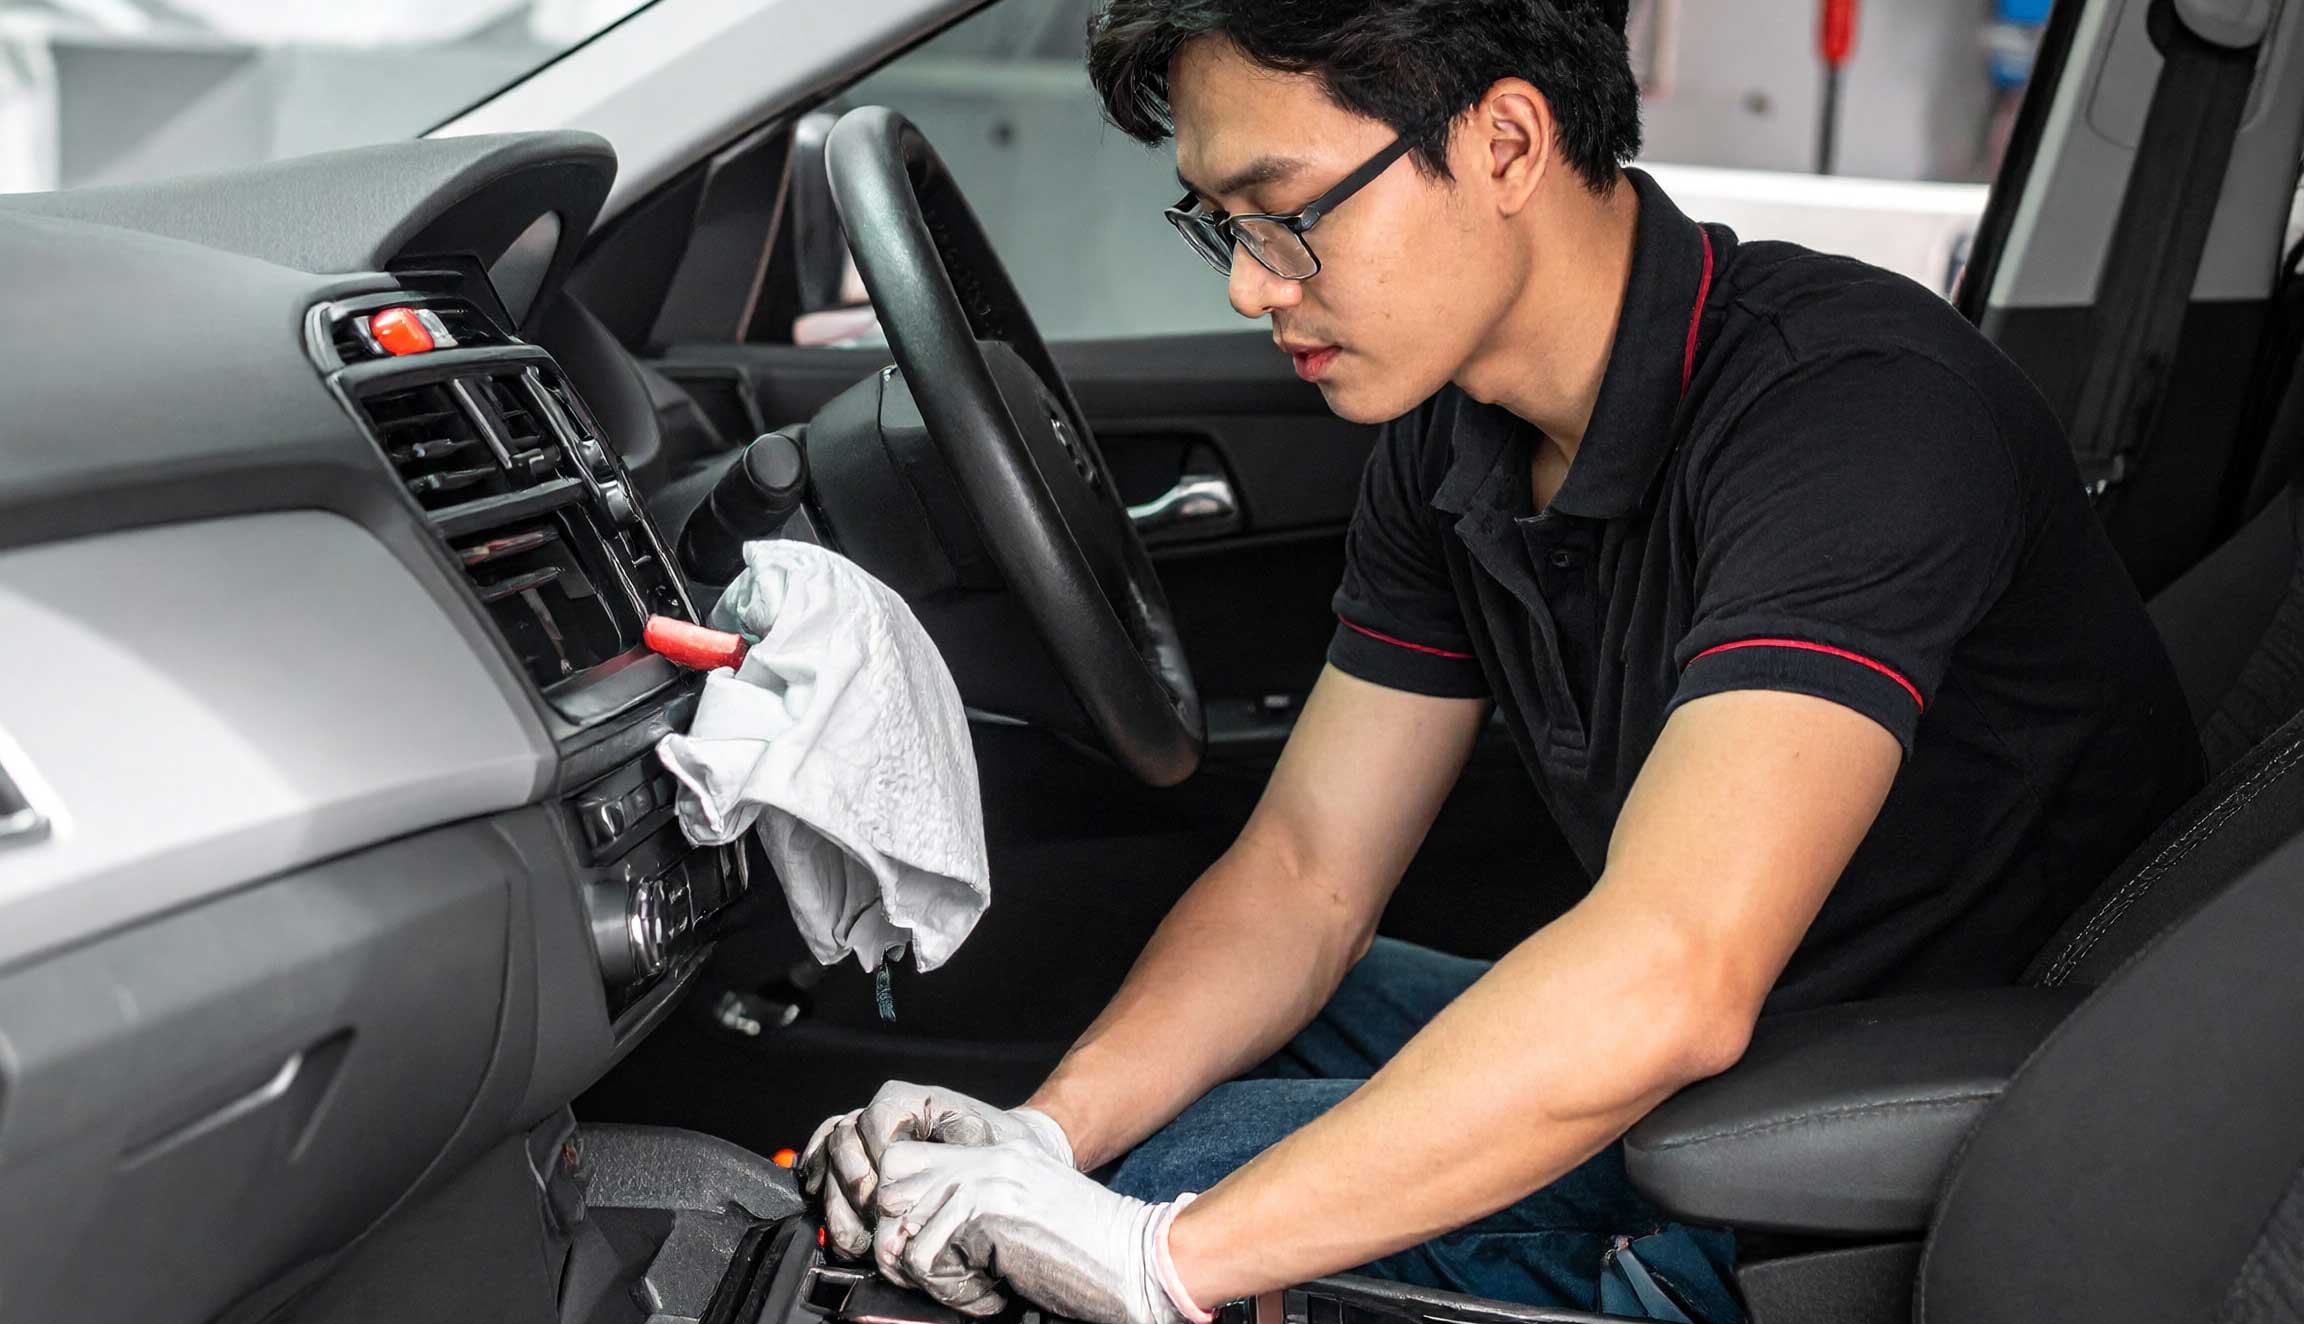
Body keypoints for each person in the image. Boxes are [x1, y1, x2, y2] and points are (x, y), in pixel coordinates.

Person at [800, 1, 2206, 1320]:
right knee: (1197, 1027)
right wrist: (1045, 1131)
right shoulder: (1452, 440)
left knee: (1192, 1162)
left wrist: (1158, 1252)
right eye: (1216, 225)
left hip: (1899, 1138)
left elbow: (1671, 968)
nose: (1245, 285)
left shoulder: (1853, 415)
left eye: (1284, 217)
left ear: (1507, 143)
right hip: (1740, 1047)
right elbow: (1306, 870)